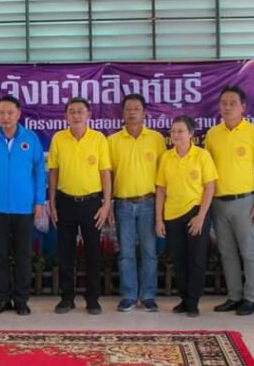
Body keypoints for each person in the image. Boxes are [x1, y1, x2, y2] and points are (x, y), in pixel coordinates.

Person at [0, 95, 46, 316]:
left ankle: (21, 300)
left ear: (18, 114)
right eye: (1, 113)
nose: (5, 117)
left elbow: (40, 171)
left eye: (10, 113)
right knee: (0, 255)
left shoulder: (30, 139)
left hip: (24, 208)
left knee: (23, 255)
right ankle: (2, 299)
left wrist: (39, 201)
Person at [204, 85, 254, 316]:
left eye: (233, 103)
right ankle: (234, 296)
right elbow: (207, 171)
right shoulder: (213, 134)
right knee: (226, 251)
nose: (228, 107)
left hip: (246, 201)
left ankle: (251, 298)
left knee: (248, 250)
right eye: (224, 103)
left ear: (243, 107)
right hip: (218, 201)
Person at [48, 97, 113, 315]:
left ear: (88, 115)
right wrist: (52, 203)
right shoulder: (58, 138)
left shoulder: (98, 138)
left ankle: (92, 299)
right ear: (65, 116)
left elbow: (105, 172)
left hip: (92, 203)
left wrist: (106, 204)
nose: (76, 115)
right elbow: (53, 172)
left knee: (93, 252)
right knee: (65, 253)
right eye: (72, 112)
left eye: (80, 111)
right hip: (65, 202)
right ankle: (66, 298)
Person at [108, 94, 166, 312]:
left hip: (149, 203)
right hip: (122, 204)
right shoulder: (112, 141)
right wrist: (108, 204)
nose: (132, 113)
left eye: (136, 109)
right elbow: (108, 174)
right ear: (122, 113)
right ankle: (129, 295)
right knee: (126, 253)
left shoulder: (156, 139)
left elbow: (163, 174)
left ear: (144, 113)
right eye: (128, 109)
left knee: (149, 252)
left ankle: (148, 296)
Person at [155, 116, 217, 317]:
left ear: (191, 134)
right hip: (172, 214)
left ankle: (193, 302)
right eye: (173, 131)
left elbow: (209, 187)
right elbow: (161, 190)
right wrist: (159, 219)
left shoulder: (202, 155)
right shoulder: (167, 157)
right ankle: (184, 298)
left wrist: (201, 216)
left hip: (195, 212)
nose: (176, 135)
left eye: (180, 131)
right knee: (179, 259)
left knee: (196, 258)